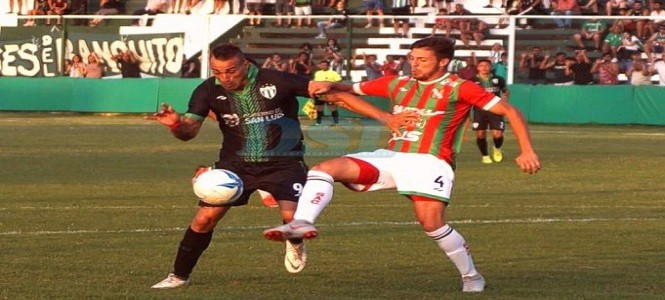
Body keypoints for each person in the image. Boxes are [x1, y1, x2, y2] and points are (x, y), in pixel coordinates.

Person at [262, 36, 541, 293]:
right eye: (412, 58)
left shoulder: (460, 87)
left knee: (431, 223)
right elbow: (349, 88)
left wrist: (526, 150)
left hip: (430, 161)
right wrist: (329, 87)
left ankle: (471, 276)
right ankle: (302, 222)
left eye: (422, 60)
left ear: (443, 61)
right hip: (391, 156)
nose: (414, 64)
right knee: (324, 169)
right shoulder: (397, 83)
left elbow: (510, 111)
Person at [148, 43, 409, 289]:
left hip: (284, 162)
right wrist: (175, 124)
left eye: (231, 71)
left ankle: (294, 243)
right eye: (218, 72)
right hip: (235, 165)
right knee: (204, 219)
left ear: (246, 65)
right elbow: (189, 132)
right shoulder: (207, 90)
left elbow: (335, 95)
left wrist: (386, 117)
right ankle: (178, 276)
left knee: (292, 220)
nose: (225, 78)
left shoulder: (277, 80)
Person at [471, 59, 508, 164]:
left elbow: (505, 91)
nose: (484, 67)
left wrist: (504, 101)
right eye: (481, 65)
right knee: (480, 134)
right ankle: (485, 155)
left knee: (498, 134)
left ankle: (497, 148)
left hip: (495, 109)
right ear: (477, 68)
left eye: (487, 65)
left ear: (491, 67)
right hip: (479, 110)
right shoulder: (472, 80)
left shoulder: (498, 79)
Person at [312, 60, 343, 126]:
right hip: (319, 93)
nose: (323, 66)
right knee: (319, 108)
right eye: (322, 65)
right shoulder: (317, 73)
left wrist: (330, 85)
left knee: (332, 107)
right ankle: (318, 122)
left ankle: (336, 122)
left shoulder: (333, 73)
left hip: (330, 93)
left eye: (325, 65)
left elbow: (339, 81)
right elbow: (315, 82)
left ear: (328, 66)